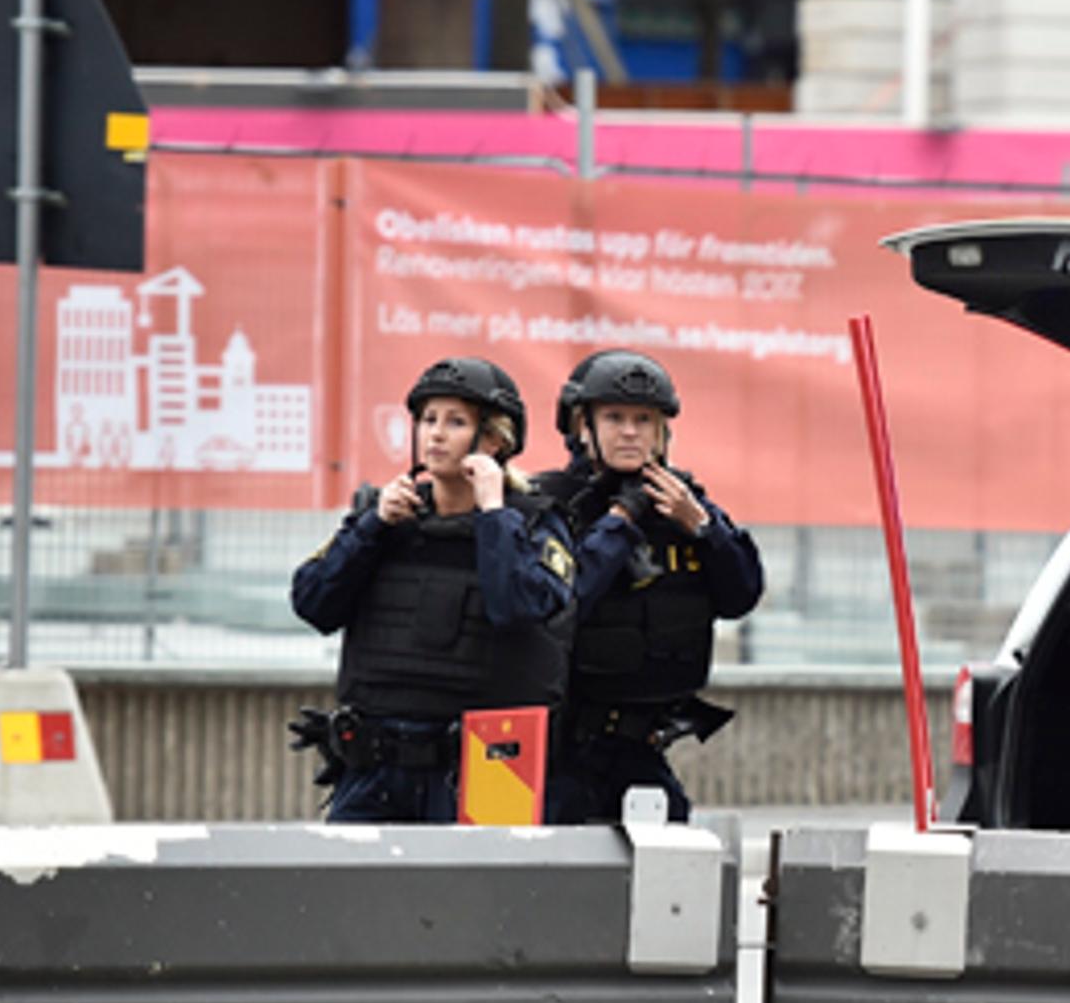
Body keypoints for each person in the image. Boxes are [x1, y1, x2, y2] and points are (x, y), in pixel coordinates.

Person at [290, 357, 577, 823]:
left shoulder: (535, 524)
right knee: (351, 894)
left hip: (488, 763)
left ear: (495, 440)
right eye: (428, 420)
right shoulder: (383, 517)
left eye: (456, 422)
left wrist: (492, 514)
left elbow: (518, 606)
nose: (435, 434)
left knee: (480, 895)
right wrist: (371, 527)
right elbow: (312, 603)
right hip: (375, 765)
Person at [533, 349, 764, 824]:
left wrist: (702, 527)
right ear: (581, 426)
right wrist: (622, 520)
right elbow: (560, 602)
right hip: (559, 754)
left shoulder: (682, 502)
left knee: (670, 880)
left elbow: (742, 596)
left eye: (645, 419)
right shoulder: (548, 504)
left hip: (642, 750)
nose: (631, 431)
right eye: (614, 417)